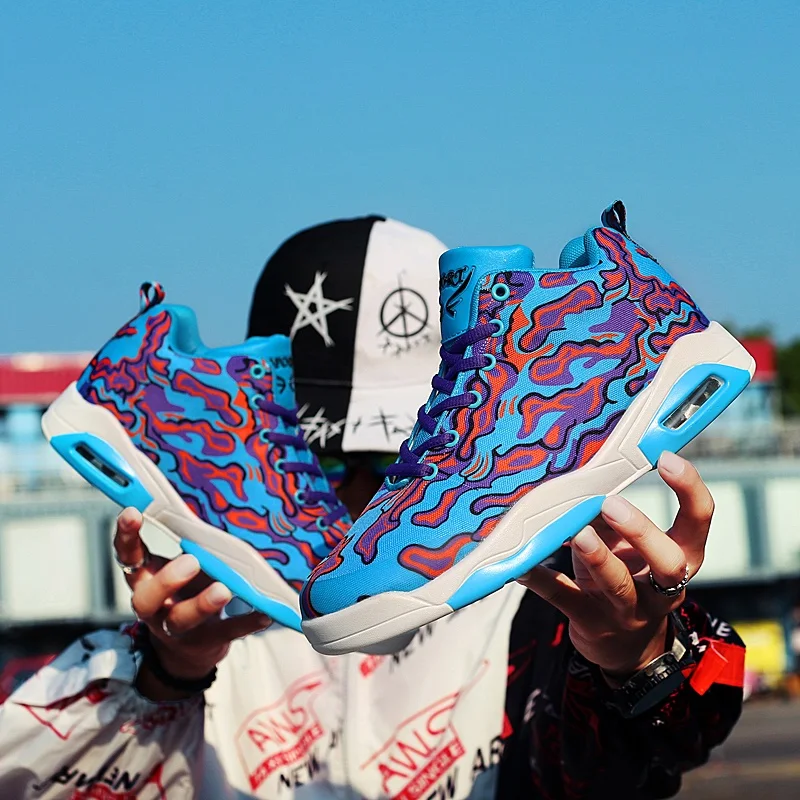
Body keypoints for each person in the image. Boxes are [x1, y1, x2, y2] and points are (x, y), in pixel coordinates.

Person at [0, 215, 745, 799]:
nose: (360, 499)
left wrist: (636, 655)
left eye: (400, 463)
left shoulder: (540, 600)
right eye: (321, 462)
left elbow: (644, 762)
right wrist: (166, 672)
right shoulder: (205, 608)